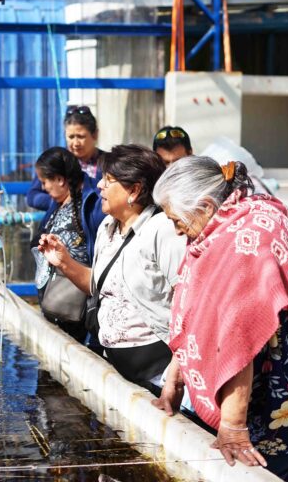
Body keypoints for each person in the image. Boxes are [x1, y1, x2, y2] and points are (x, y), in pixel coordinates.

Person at [151, 156, 288, 481]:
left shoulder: (241, 245)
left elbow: (239, 340)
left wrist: (233, 427)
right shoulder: (233, 222)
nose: (177, 230)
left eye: (176, 220)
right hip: (287, 385)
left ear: (206, 205)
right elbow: (195, 316)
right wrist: (174, 380)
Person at [38, 144, 186, 393]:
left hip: (158, 371)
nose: (99, 186)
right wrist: (63, 261)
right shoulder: (108, 227)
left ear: (135, 190)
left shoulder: (162, 230)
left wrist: (176, 372)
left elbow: (187, 301)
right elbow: (98, 285)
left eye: (108, 180)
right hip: (114, 362)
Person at [32, 147, 105, 344]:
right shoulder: (58, 203)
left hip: (77, 314)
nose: (44, 188)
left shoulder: (92, 206)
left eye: (45, 182)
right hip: (54, 308)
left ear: (60, 179)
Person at [27, 105, 105, 211]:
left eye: (81, 136)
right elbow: (33, 196)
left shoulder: (107, 162)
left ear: (95, 135)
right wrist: (61, 201)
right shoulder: (57, 160)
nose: (76, 143)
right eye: (71, 137)